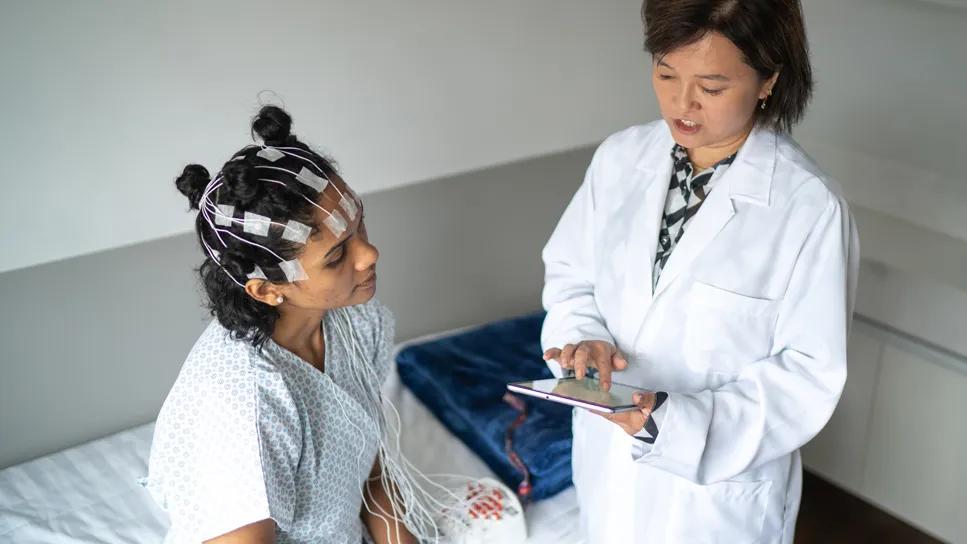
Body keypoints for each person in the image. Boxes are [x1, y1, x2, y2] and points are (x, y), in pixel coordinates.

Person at [540, 1, 859, 542]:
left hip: (715, 500)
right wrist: (584, 340)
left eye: (711, 87)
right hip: (610, 469)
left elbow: (807, 375)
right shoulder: (620, 159)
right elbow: (572, 277)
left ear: (768, 81)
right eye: (665, 73)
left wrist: (678, 425)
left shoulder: (808, 207)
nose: (681, 102)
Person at [143, 106, 434, 544]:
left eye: (359, 223)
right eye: (336, 256)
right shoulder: (243, 404)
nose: (368, 254)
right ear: (265, 290)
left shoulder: (355, 322)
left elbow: (369, 471)